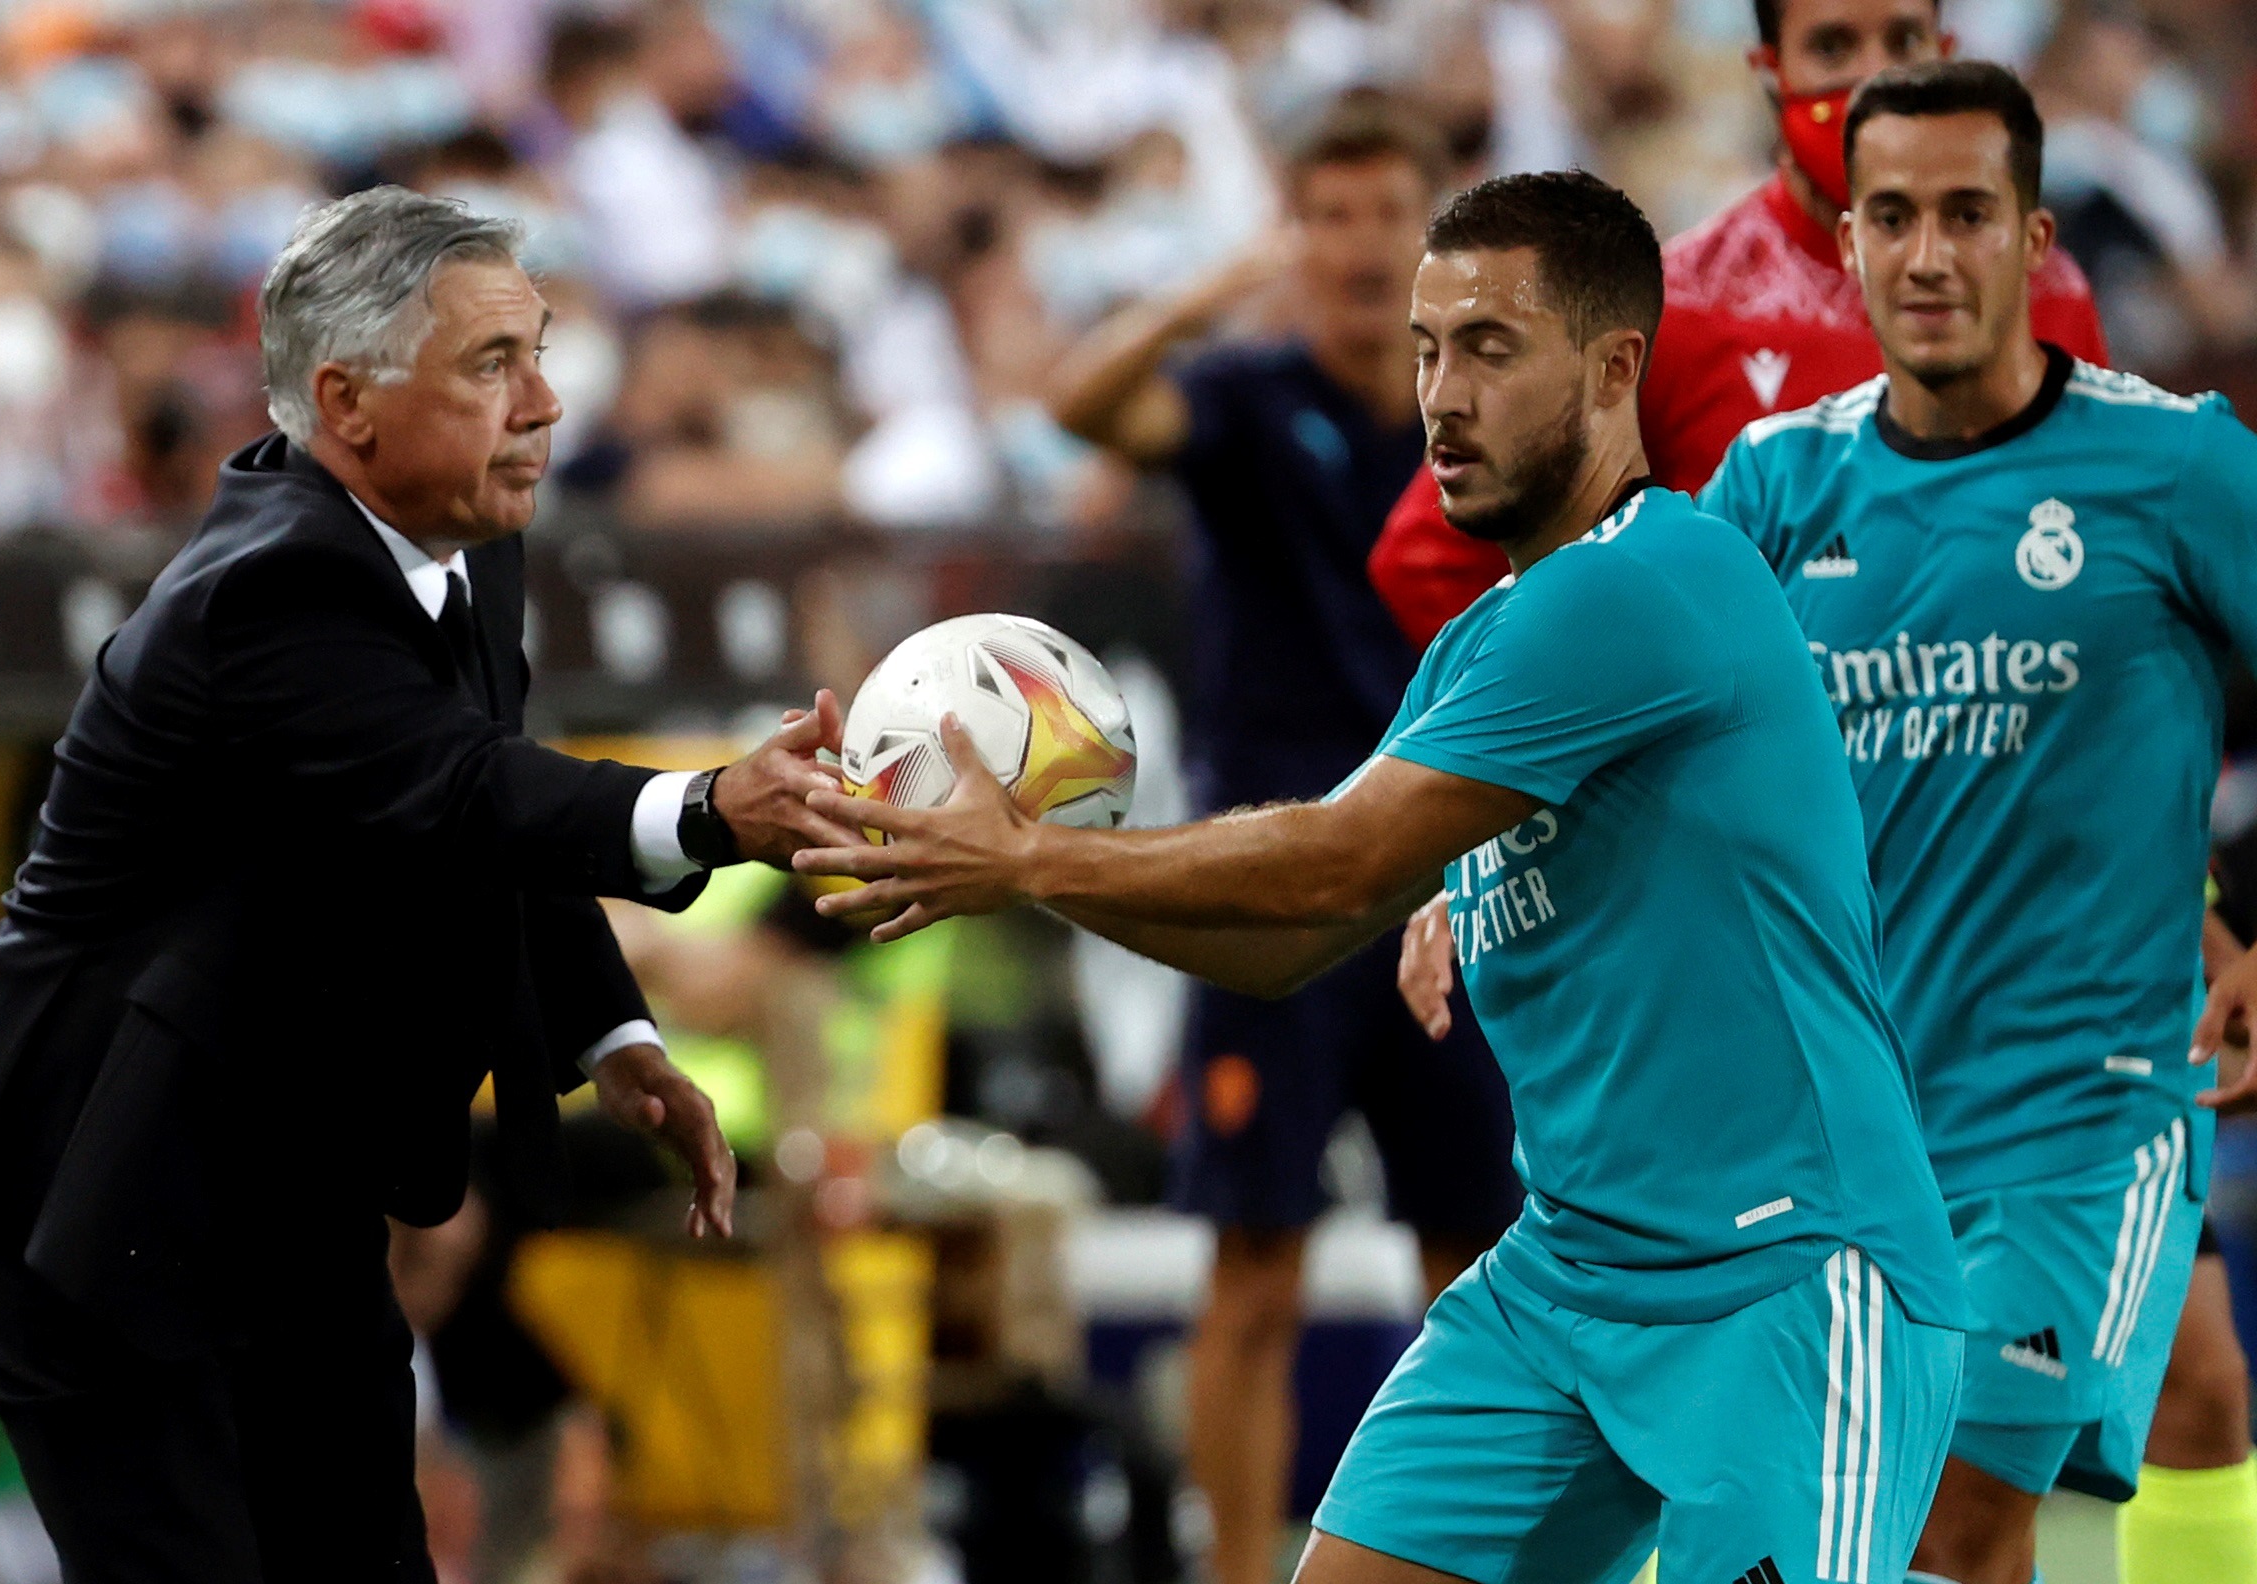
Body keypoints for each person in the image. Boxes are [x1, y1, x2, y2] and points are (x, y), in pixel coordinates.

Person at [803, 169, 1969, 1584]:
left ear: (1614, 370)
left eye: (1489, 347)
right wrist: (1027, 875)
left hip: (1787, 1285)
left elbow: (1331, 864)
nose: (1441, 394)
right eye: (1426, 349)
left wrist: (1032, 849)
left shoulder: (1651, 581)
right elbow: (1297, 941)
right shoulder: (1476, 646)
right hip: (1566, 1284)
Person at [0, 188, 856, 1583]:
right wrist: (714, 810)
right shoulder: (268, 588)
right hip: (82, 1177)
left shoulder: (463, 543)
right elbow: (462, 790)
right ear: (346, 401)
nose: (544, 403)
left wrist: (616, 1036)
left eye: (539, 351)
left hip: (275, 1173)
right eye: (491, 365)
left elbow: (475, 797)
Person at [1682, 62, 2255, 1584]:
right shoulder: (1774, 484)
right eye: (1891, 216)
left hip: (2088, 1117)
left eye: (1966, 214)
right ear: (1849, 244)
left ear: (2035, 239)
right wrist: (1456, 871)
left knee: (1945, 1515)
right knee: (1862, 1534)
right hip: (1849, 1133)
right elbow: (1619, 715)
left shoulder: (2178, 468)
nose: (1928, 253)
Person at [1044, 96, 1520, 1584]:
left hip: (1453, 862)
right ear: (1291, 232)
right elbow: (1080, 406)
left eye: (1388, 214)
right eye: (1328, 215)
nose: (1358, 246)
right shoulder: (1245, 396)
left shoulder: (1491, 413)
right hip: (1273, 878)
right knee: (1253, 1268)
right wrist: (1210, 288)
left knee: (1480, 1270)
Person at [1365, 0, 2109, 651]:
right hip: (1766, 811)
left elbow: (2104, 557)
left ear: (1946, 56)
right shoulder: (1676, 305)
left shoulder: (2046, 295)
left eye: (1905, 42)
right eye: (1833, 47)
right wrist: (1627, 736)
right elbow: (1429, 564)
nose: (1876, 81)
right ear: (1768, 70)